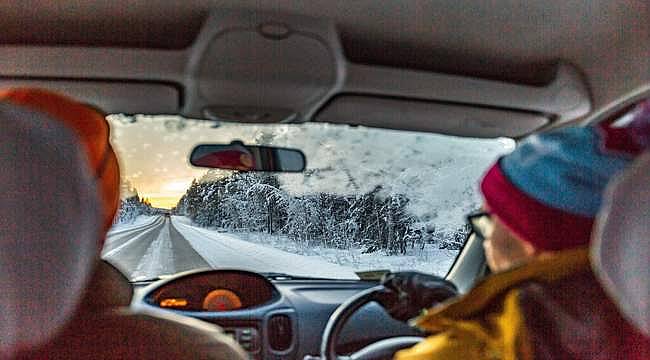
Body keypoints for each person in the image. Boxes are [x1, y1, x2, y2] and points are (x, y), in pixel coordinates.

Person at [392, 100, 650, 359]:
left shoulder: (486, 348)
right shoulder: (635, 325)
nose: (487, 240)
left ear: (529, 237)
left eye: (489, 220)